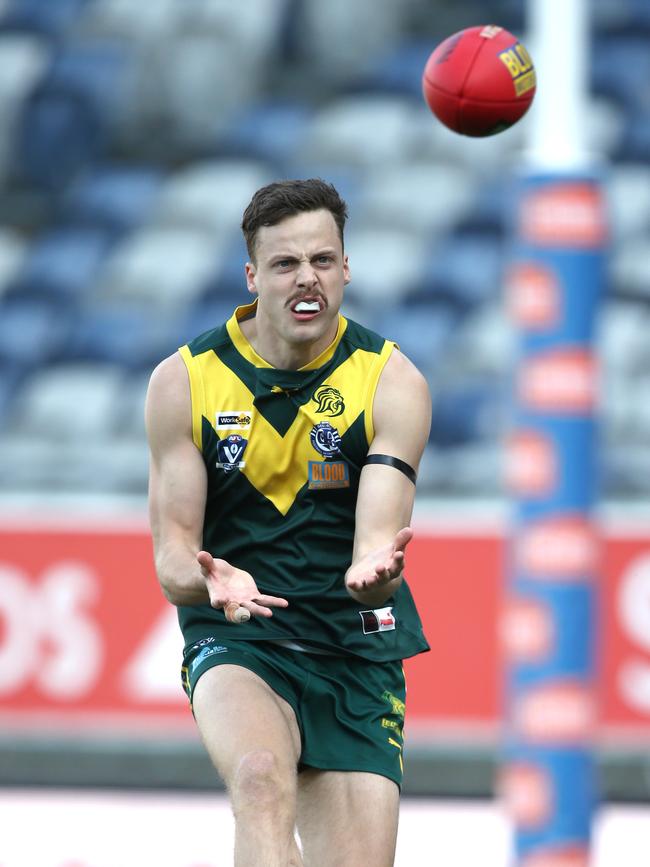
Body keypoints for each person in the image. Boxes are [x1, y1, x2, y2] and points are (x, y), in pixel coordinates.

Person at [145, 178, 431, 867]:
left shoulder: (392, 382)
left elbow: (375, 536)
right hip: (243, 637)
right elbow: (174, 555)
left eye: (323, 261)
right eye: (285, 264)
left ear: (345, 268)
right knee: (259, 778)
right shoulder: (184, 383)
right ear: (253, 276)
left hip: (353, 647)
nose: (308, 278)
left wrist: (370, 576)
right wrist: (208, 583)